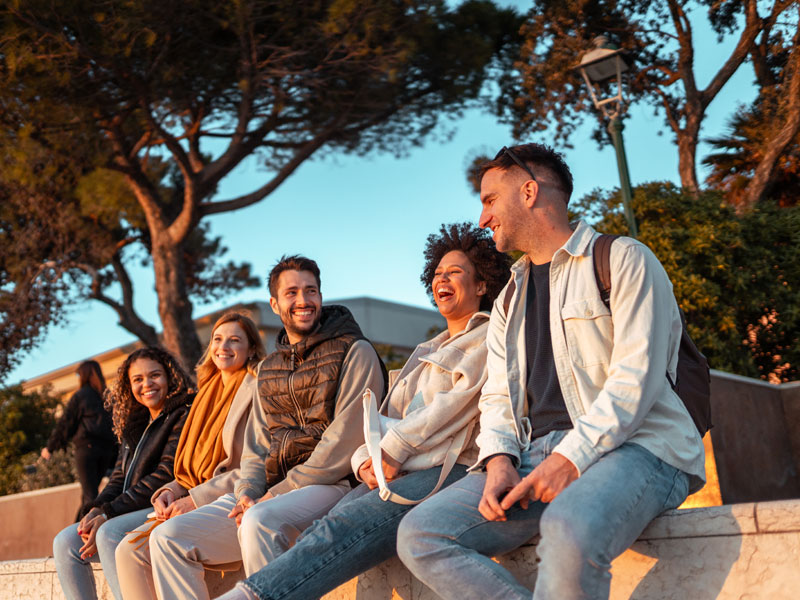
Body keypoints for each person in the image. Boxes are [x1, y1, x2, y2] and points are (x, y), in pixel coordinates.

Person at [396, 143, 707, 600]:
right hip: (532, 457)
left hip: (641, 446)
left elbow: (634, 381)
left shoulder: (623, 259)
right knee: (421, 535)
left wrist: (571, 459)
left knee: (567, 527)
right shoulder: (508, 299)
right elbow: (498, 398)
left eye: (489, 200)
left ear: (528, 191)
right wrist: (499, 460)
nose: (483, 218)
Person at [215, 224, 511, 600]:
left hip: (447, 470)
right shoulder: (425, 351)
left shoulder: (486, 337)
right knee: (333, 530)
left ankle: (249, 597)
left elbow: (449, 409)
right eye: (437, 273)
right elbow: (379, 419)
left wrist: (390, 451)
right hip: (396, 470)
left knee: (340, 529)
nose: (442, 279)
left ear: (482, 285)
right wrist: (364, 459)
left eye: (454, 272)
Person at [145, 255, 387, 600]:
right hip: (269, 494)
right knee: (168, 537)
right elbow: (257, 448)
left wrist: (274, 494)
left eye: (311, 291)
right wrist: (247, 492)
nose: (303, 300)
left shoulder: (355, 350)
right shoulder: (269, 369)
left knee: (260, 520)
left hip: (334, 484)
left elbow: (344, 442)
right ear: (274, 304)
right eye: (291, 293)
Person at [116, 312, 267, 598]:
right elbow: (188, 468)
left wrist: (195, 500)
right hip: (195, 496)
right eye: (217, 340)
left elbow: (255, 465)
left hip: (235, 496)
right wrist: (171, 491)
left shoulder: (257, 387)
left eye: (235, 340)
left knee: (166, 538)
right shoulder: (203, 394)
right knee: (127, 551)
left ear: (252, 349)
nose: (223, 347)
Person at [52, 347, 193, 600]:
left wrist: (109, 512)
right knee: (65, 541)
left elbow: (164, 475)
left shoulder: (181, 414)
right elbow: (118, 478)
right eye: (137, 379)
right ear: (129, 386)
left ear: (170, 377)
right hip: (127, 509)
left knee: (110, 532)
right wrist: (96, 508)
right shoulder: (134, 424)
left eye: (155, 375)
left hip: (160, 507)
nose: (147, 384)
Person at [42, 359, 118, 518]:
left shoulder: (81, 395)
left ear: (83, 375)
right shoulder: (107, 396)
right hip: (106, 451)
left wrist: (50, 447)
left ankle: (83, 534)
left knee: (90, 496)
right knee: (89, 495)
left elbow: (66, 423)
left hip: (87, 450)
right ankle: (76, 532)